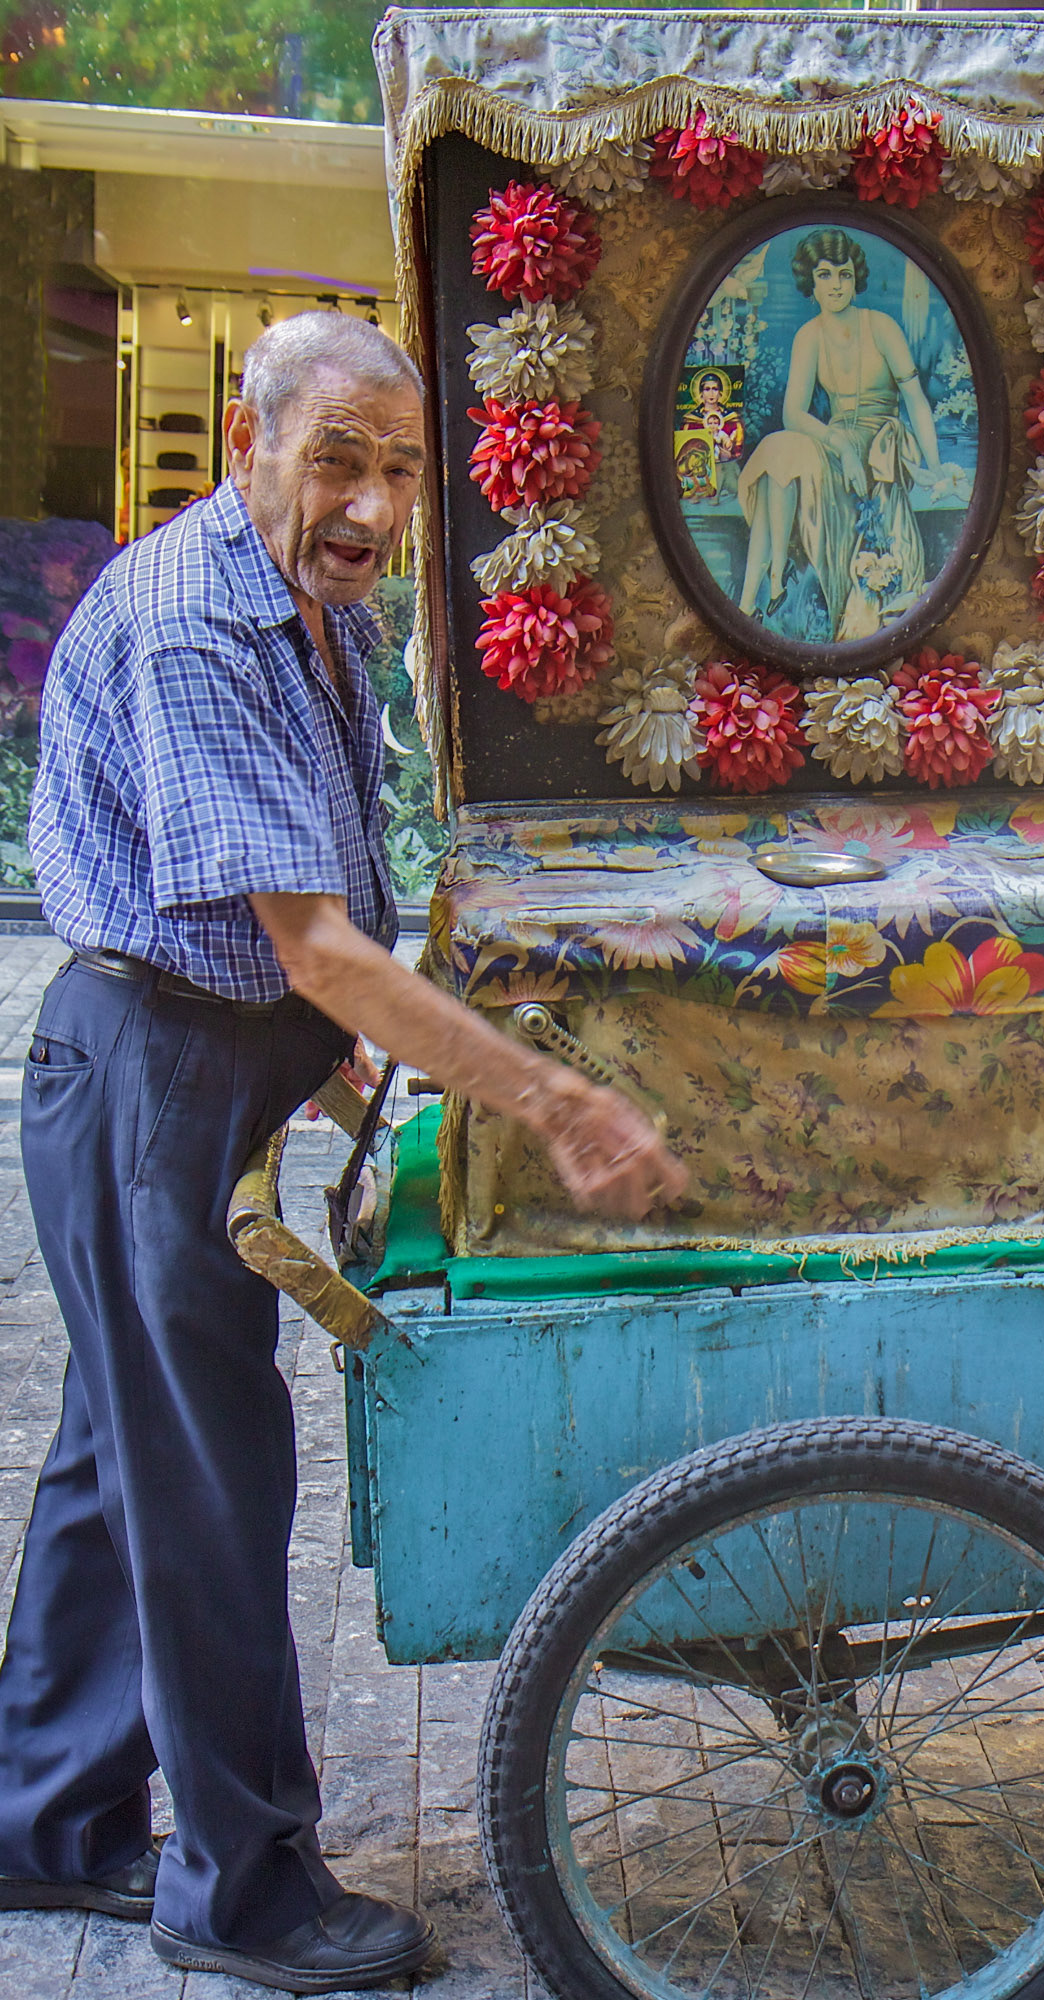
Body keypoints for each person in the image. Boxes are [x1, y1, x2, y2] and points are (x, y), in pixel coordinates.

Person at [0, 312, 685, 1994]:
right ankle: (245, 1894)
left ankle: (46, 1823)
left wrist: (355, 1072)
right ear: (248, 448)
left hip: (195, 1059)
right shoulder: (195, 622)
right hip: (146, 1075)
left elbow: (299, 935)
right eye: (335, 461)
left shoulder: (321, 610)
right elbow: (308, 943)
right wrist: (558, 1101)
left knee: (123, 1460)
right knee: (212, 1485)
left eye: (397, 468)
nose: (373, 503)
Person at [737, 227, 950, 637]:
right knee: (778, 450)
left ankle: (759, 595)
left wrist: (935, 466)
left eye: (844, 275)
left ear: (856, 278)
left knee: (778, 457)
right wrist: (840, 447)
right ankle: (766, 585)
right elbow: (793, 414)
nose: (836, 286)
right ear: (810, 282)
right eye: (824, 275)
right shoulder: (809, 335)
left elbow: (916, 400)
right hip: (835, 447)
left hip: (877, 446)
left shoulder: (881, 326)